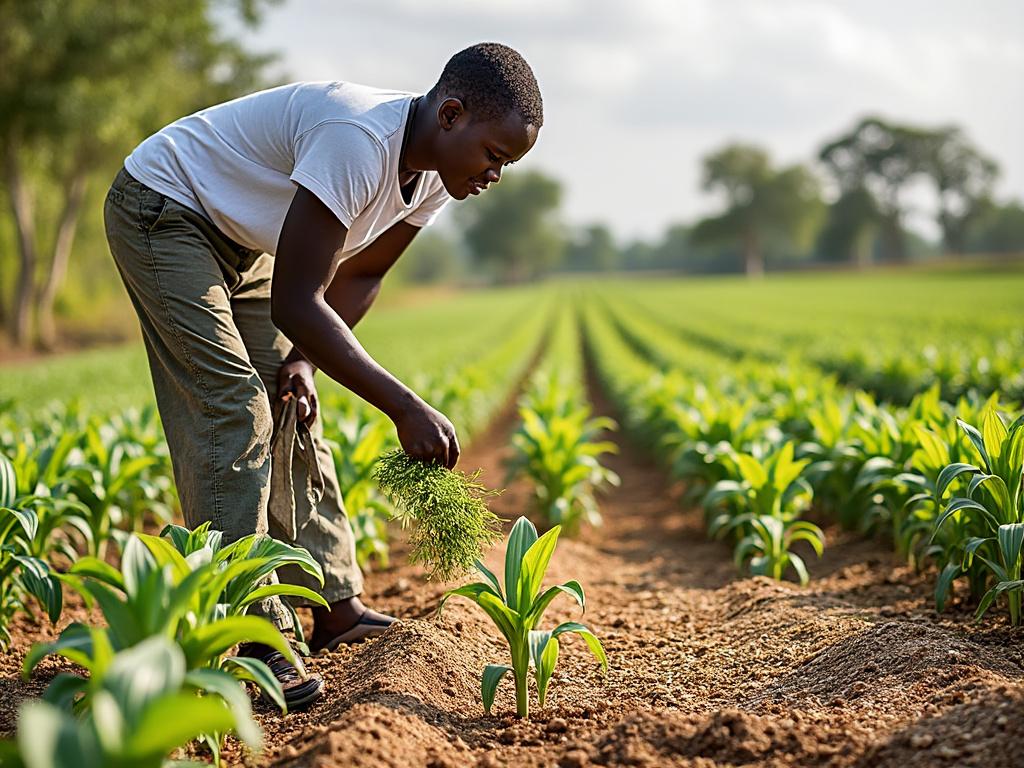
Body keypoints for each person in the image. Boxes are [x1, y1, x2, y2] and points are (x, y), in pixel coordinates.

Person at [103, 42, 542, 709]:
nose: (494, 176)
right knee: (234, 408)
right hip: (164, 210)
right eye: (494, 156)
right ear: (450, 115)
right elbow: (296, 302)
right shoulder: (357, 140)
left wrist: (302, 360)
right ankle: (254, 636)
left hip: (244, 242)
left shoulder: (431, 178)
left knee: (289, 400)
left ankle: (333, 601)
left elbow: (360, 275)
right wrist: (403, 406)